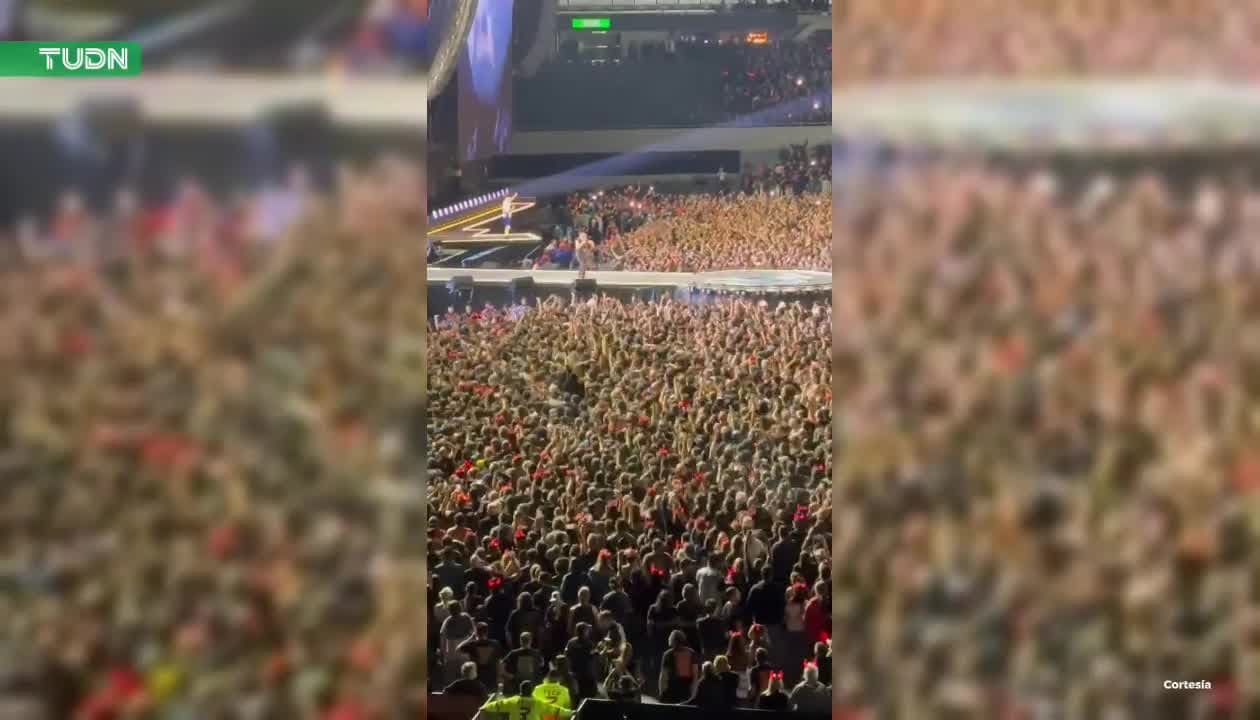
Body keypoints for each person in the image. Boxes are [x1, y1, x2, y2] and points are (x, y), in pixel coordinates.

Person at [479, 681, 572, 720]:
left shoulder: (512, 702)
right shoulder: (537, 703)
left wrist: (483, 708)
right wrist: (571, 713)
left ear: (520, 690)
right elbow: (556, 710)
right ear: (532, 691)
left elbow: (497, 705)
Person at [659, 630, 700, 704]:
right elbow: (695, 675)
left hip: (672, 689)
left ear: (671, 641)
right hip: (686, 690)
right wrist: (693, 694)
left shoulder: (667, 654)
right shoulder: (691, 653)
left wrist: (662, 692)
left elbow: (663, 676)